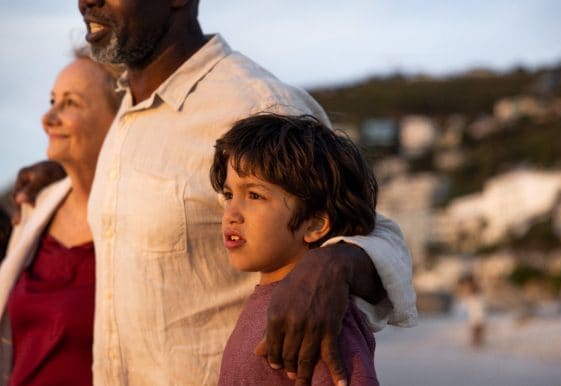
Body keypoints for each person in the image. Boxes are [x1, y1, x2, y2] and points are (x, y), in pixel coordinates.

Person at [13, 1, 417, 384]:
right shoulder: (128, 113)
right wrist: (58, 172)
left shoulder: (257, 104)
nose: (88, 3)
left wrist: (337, 264)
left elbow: (376, 233)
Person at [212, 114, 380, 385]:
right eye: (229, 194)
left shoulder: (319, 320)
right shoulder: (264, 303)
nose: (231, 213)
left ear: (315, 224)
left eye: (255, 195)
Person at [0, 50, 123, 385]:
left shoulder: (137, 216)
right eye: (52, 99)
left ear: (118, 119)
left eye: (70, 103)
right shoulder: (36, 206)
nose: (48, 117)